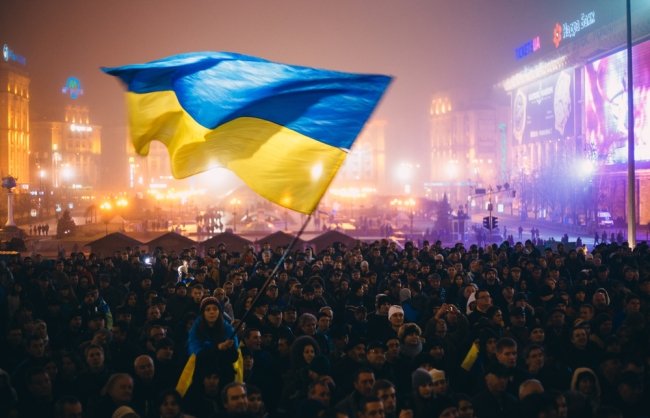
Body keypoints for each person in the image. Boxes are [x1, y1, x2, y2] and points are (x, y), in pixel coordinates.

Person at [187, 296, 238, 395]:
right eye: (208, 309)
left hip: (224, 377)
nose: (212, 312)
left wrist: (230, 348)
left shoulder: (227, 329)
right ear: (203, 313)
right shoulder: (196, 330)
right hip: (203, 378)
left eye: (215, 309)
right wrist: (218, 347)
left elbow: (234, 357)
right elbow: (198, 354)